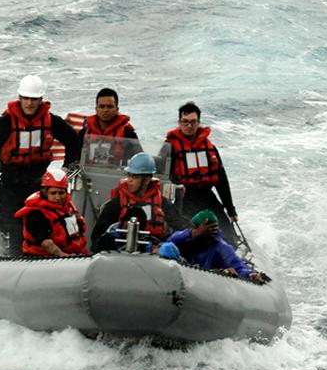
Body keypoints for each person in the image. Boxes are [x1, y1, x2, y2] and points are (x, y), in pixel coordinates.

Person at [0, 75, 81, 255]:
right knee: (14, 225)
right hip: (11, 183)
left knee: (42, 221)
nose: (30, 103)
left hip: (38, 183)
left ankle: (46, 256)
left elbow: (73, 140)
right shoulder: (5, 123)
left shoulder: (51, 121)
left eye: (34, 99)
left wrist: (66, 168)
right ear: (20, 98)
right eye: (26, 98)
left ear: (41, 100)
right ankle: (16, 260)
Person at [162, 101, 239, 245]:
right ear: (179, 122)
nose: (189, 126)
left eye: (193, 122)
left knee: (228, 235)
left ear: (198, 123)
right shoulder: (170, 148)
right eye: (185, 122)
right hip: (183, 198)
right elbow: (162, 178)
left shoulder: (209, 148)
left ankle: (231, 253)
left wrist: (230, 209)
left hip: (206, 196)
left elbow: (221, 180)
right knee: (190, 235)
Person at [91, 152, 187, 252]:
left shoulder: (162, 203)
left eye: (135, 177)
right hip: (121, 252)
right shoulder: (116, 204)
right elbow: (97, 236)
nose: (129, 181)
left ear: (147, 180)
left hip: (152, 254)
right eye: (129, 176)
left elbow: (181, 225)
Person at [166, 209, 262, 283]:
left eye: (213, 229)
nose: (210, 232)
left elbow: (238, 266)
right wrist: (194, 234)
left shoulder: (220, 247)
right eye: (206, 229)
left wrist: (249, 274)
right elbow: (167, 244)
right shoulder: (183, 238)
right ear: (194, 228)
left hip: (206, 283)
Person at [14, 169, 89, 257]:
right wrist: (63, 256)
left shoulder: (69, 207)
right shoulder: (36, 214)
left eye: (61, 193)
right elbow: (46, 243)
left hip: (73, 255)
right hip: (43, 258)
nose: (58, 197)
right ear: (45, 193)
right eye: (53, 193)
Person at [79, 87, 141, 165]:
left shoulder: (128, 134)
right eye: (102, 106)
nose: (105, 110)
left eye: (110, 106)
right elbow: (74, 157)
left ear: (117, 109)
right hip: (87, 175)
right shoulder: (84, 133)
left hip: (118, 175)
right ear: (96, 109)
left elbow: (139, 160)